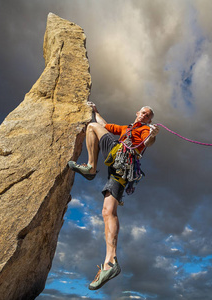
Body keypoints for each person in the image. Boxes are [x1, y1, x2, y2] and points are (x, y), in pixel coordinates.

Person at [68, 101, 159, 290]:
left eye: (148, 115)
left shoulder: (144, 131)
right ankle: (110, 262)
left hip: (123, 158)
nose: (144, 115)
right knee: (107, 211)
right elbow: (106, 125)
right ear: (137, 112)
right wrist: (96, 111)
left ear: (150, 120)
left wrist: (152, 133)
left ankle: (91, 168)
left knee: (92, 127)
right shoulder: (127, 128)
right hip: (119, 165)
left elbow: (149, 141)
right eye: (143, 112)